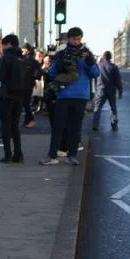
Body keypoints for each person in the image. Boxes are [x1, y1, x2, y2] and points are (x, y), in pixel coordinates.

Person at [40, 28, 99, 166]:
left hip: (80, 96)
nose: (77, 41)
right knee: (58, 126)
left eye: (79, 39)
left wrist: (89, 62)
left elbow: (96, 74)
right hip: (63, 95)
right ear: (68, 39)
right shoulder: (61, 54)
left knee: (75, 127)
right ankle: (52, 155)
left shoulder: (87, 54)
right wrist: (60, 66)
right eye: (74, 39)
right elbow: (52, 74)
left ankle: (72, 155)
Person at [0, 34, 24, 163]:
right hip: (19, 95)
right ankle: (18, 154)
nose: (3, 47)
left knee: (6, 125)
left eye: (4, 45)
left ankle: (7, 154)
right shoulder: (22, 58)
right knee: (15, 126)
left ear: (9, 44)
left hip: (6, 95)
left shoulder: (6, 58)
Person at [92, 51, 124, 132]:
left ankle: (95, 125)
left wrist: (95, 89)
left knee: (98, 107)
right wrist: (120, 91)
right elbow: (118, 80)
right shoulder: (114, 67)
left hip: (100, 89)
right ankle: (114, 124)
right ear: (111, 57)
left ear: (103, 57)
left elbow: (94, 78)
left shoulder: (98, 66)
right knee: (113, 108)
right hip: (111, 90)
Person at [20, 45, 41, 128]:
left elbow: (38, 72)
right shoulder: (25, 59)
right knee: (25, 103)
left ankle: (31, 119)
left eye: (23, 49)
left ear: (27, 50)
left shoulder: (29, 60)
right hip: (27, 84)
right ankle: (27, 120)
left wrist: (32, 76)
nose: (22, 50)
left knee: (25, 103)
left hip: (26, 84)